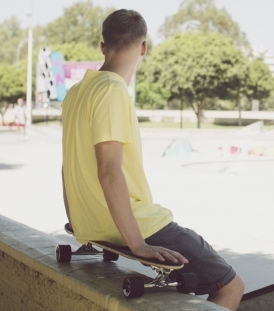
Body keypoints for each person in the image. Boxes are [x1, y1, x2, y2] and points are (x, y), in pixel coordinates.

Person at [60, 9, 244, 310]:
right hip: (135, 224)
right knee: (231, 285)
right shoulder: (111, 90)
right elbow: (109, 171)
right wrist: (137, 244)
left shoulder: (76, 93)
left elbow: (68, 166)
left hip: (93, 224)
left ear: (103, 46)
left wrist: (79, 221)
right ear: (143, 47)